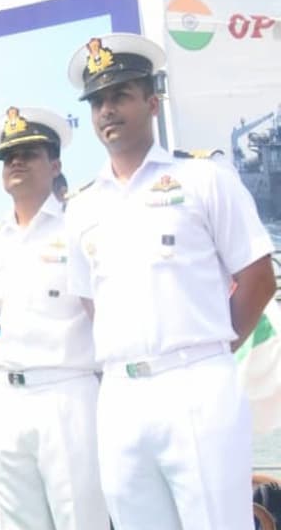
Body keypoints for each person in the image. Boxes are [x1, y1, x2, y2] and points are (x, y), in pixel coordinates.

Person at [64, 34, 276, 529]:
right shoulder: (82, 206)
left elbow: (258, 278)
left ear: (152, 103)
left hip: (195, 382)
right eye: (97, 102)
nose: (107, 111)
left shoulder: (204, 178)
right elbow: (92, 301)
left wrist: (210, 347)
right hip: (119, 393)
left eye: (120, 96)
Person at [0, 106, 107, 529]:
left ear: (54, 165)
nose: (15, 162)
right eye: (7, 157)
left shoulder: (81, 227)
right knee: (15, 521)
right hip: (8, 396)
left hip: (67, 392)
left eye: (28, 153)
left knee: (80, 518)